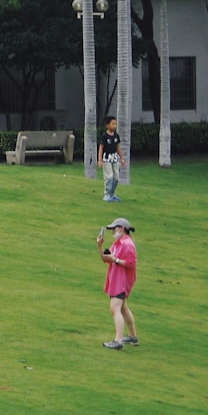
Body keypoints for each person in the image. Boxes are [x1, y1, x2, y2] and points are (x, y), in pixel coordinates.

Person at [97, 217, 138, 349]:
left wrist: (115, 260)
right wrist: (100, 246)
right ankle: (132, 337)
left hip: (121, 281)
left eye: (114, 228)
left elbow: (131, 263)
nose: (113, 231)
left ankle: (118, 341)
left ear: (121, 228)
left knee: (115, 308)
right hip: (116, 280)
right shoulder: (118, 243)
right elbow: (105, 259)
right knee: (123, 308)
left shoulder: (127, 244)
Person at [99, 116, 126, 202]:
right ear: (107, 125)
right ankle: (107, 195)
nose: (115, 126)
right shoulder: (105, 136)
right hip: (107, 158)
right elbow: (101, 148)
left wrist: (122, 158)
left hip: (115, 158)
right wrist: (100, 160)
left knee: (116, 177)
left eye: (115, 124)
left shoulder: (116, 136)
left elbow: (118, 147)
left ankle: (112, 194)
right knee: (109, 177)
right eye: (113, 124)